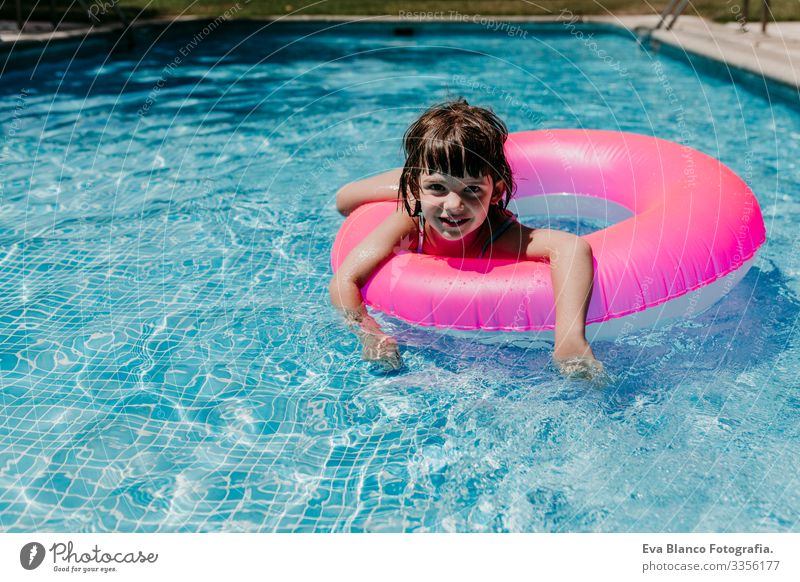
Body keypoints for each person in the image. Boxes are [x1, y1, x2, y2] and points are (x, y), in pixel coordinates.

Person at [329, 98, 604, 379]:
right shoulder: (412, 221)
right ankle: (416, 178)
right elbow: (344, 281)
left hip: (424, 189)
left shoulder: (498, 235)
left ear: (496, 193)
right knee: (344, 199)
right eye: (437, 187)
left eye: (472, 189)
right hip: (412, 190)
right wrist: (369, 333)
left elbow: (572, 247)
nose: (454, 205)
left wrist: (570, 340)